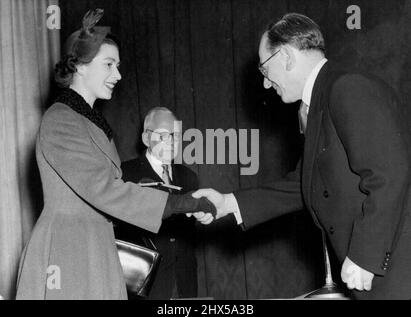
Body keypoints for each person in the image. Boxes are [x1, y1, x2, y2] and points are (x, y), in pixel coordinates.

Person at [192, 13, 411, 299]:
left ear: (285, 56)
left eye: (264, 69)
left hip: (392, 268)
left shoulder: (346, 88)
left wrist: (365, 256)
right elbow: (305, 184)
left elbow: (389, 174)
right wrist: (228, 204)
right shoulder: (320, 99)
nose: (265, 84)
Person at [15, 9, 215, 300]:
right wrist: (180, 202)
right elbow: (104, 189)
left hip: (94, 249)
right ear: (81, 66)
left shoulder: (88, 121)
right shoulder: (61, 120)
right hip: (67, 251)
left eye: (118, 66)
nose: (118, 75)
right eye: (109, 65)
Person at [115, 107, 199, 299]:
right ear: (146, 139)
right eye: (162, 135)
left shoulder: (189, 178)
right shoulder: (125, 174)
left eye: (175, 135)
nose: (171, 142)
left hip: (184, 282)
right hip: (144, 283)